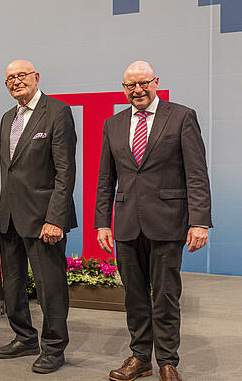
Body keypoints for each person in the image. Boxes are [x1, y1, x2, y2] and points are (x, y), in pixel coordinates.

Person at [95, 61, 212, 381]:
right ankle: (140, 357)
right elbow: (106, 178)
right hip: (126, 224)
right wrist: (102, 222)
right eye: (130, 85)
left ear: (155, 82)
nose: (137, 90)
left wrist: (199, 221)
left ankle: (167, 360)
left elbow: (196, 174)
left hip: (168, 222)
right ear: (123, 89)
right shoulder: (113, 124)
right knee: (134, 296)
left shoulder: (182, 117)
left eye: (143, 83)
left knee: (165, 295)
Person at [0, 60, 77, 374]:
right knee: (13, 286)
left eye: (21, 76)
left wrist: (55, 218)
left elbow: (65, 171)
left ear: (36, 78)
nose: (16, 81)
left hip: (45, 219)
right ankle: (24, 337)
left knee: (50, 287)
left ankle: (54, 347)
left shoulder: (57, 111)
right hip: (10, 218)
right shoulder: (6, 118)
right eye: (10, 78)